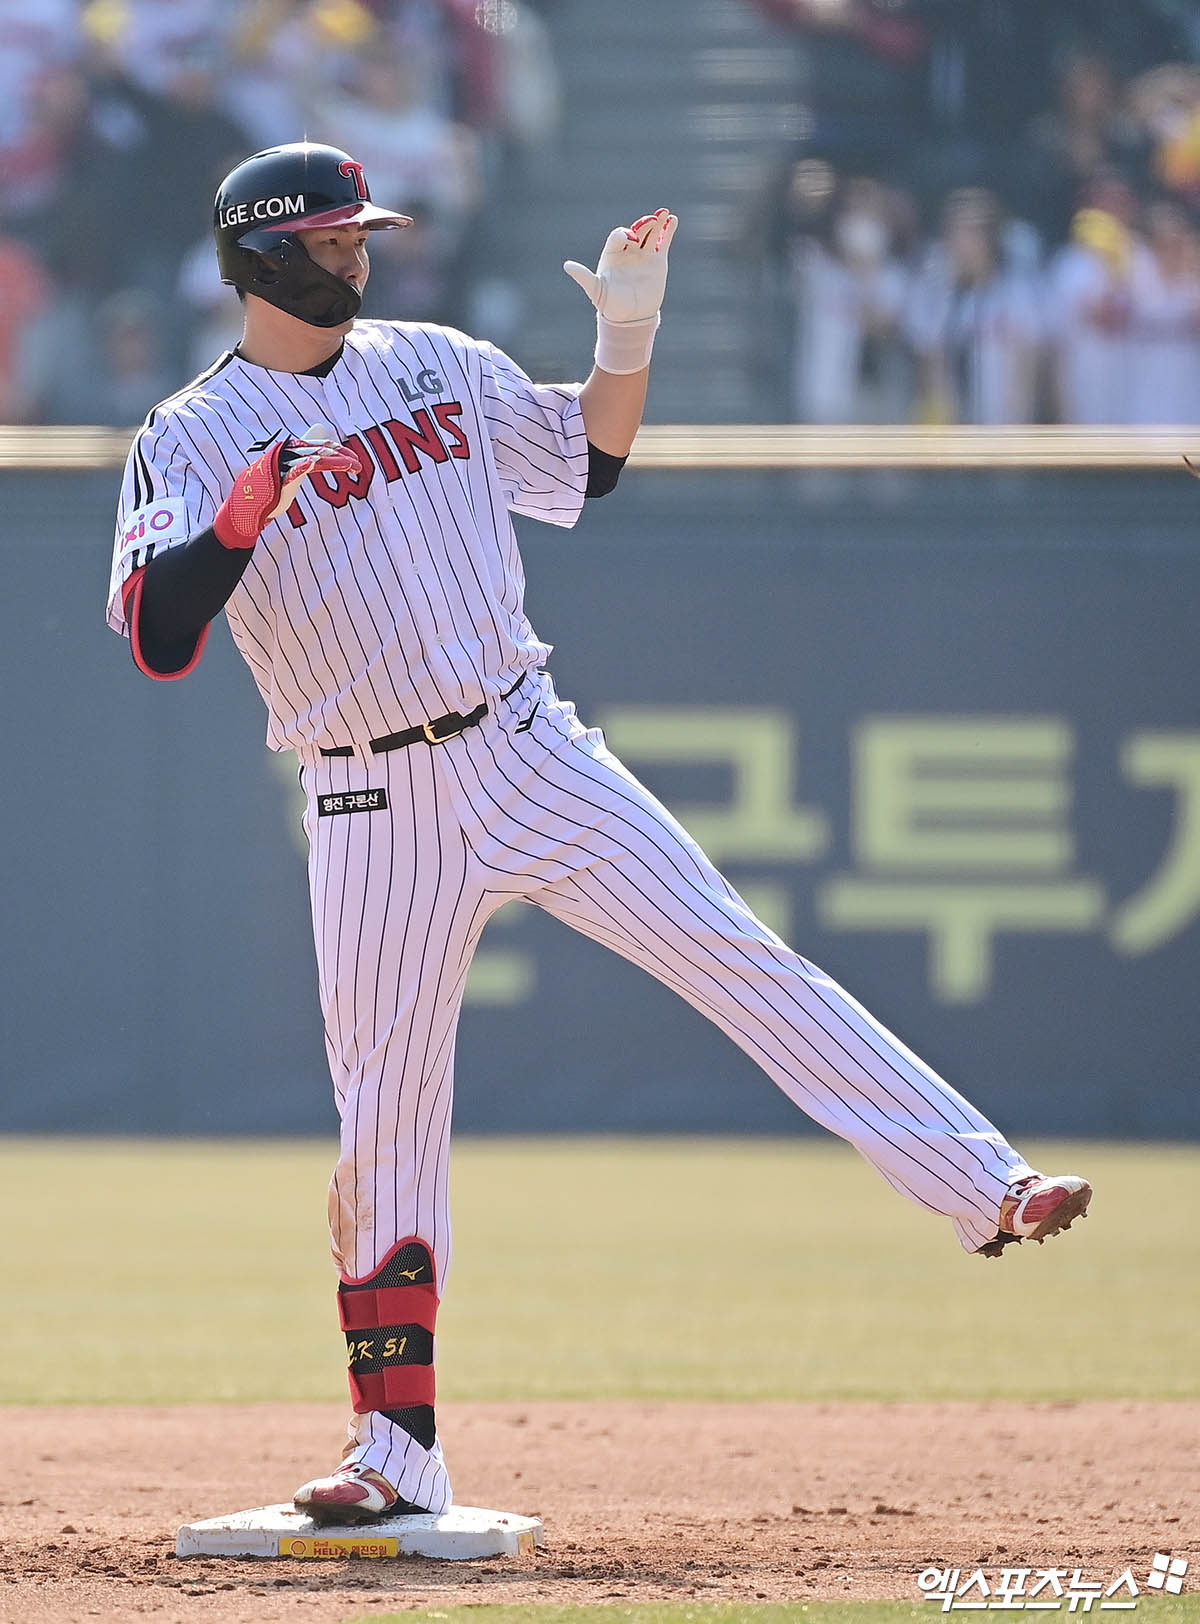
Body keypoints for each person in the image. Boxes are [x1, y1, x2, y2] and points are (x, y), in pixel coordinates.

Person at [106, 141, 1092, 1526]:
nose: (356, 256)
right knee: (386, 1125)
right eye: (330, 240)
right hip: (367, 795)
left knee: (741, 957)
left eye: (358, 235)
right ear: (261, 253)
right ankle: (399, 1456)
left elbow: (590, 460)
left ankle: (991, 1183)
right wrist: (229, 530)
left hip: (526, 740)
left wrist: (623, 335)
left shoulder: (434, 358)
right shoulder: (191, 433)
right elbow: (157, 635)